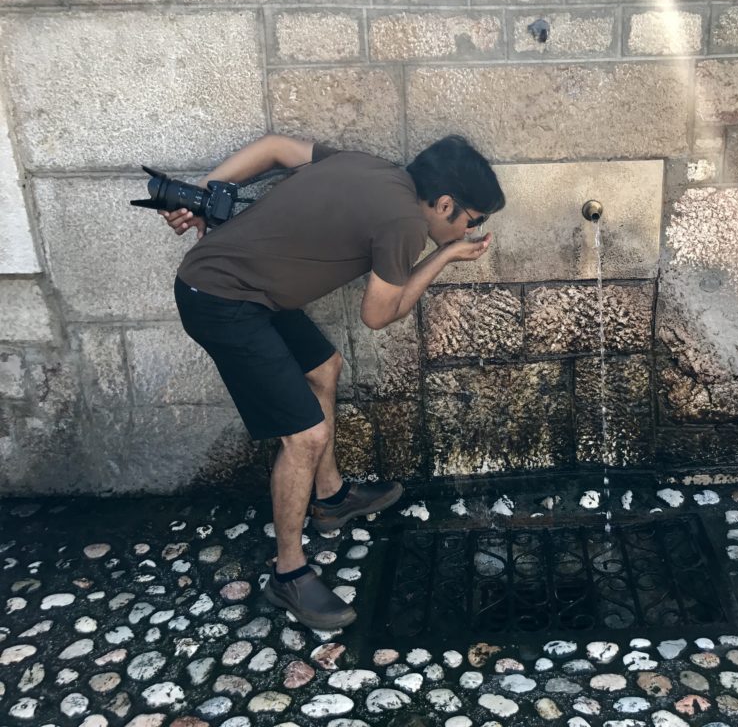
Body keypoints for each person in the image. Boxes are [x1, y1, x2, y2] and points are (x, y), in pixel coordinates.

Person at [163, 134, 505, 630]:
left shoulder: (374, 165)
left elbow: (277, 146)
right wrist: (444, 257)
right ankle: (288, 574)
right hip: (219, 299)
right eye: (474, 220)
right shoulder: (406, 224)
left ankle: (331, 498)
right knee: (305, 436)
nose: (473, 229)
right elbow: (379, 313)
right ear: (446, 204)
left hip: (251, 292)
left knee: (325, 368)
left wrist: (205, 192)